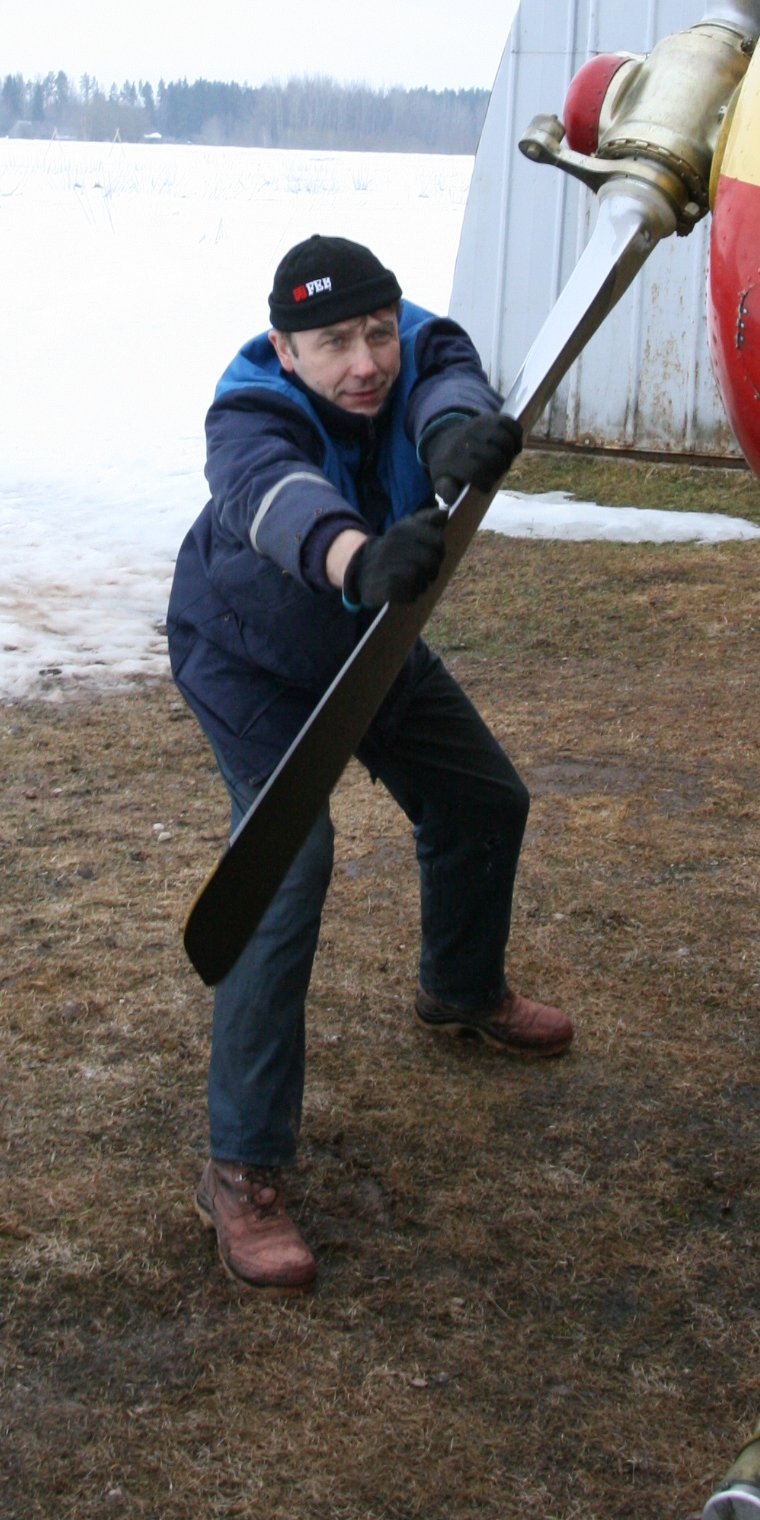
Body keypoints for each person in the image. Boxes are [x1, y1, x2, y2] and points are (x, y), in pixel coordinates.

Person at [167, 234, 571, 1292]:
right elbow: (272, 499)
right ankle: (239, 1169)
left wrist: (448, 440)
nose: (363, 362)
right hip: (253, 661)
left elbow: (445, 374)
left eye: (373, 332)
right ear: (282, 345)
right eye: (333, 341)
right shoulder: (246, 409)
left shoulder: (415, 346)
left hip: (373, 644)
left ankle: (460, 989)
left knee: (483, 798)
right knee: (281, 878)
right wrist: (357, 556)